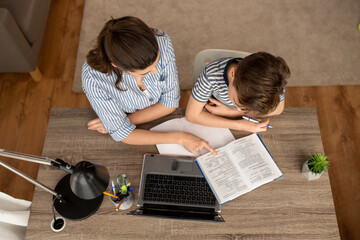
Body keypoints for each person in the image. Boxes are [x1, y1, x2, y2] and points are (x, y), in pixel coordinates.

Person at [82, 16, 216, 155]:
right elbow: (124, 136)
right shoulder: (93, 78)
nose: (156, 71)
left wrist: (121, 123)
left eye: (157, 61)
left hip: (140, 118)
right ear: (118, 66)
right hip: (131, 114)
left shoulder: (162, 41)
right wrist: (180, 138)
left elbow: (170, 104)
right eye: (145, 72)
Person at [185, 52, 290, 133]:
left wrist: (231, 112)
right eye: (236, 102)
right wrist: (240, 125)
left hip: (220, 115)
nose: (238, 108)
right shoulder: (211, 75)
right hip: (211, 116)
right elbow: (191, 115)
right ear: (232, 74)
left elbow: (278, 109)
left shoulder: (274, 84)